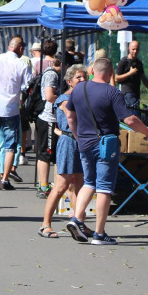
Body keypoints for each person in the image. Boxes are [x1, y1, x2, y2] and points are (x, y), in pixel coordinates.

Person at [65, 57, 148, 245]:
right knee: (105, 187)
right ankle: (99, 233)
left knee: (89, 182)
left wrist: (78, 136)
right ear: (110, 74)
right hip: (106, 144)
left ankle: (76, 218)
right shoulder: (112, 92)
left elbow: (70, 116)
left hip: (84, 143)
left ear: (92, 71)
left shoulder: (78, 89)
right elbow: (129, 120)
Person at [38, 64, 88, 238]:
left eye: (84, 77)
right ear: (69, 81)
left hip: (81, 142)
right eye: (79, 77)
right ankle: (45, 225)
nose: (83, 80)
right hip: (69, 141)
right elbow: (71, 115)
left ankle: (79, 221)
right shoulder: (63, 99)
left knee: (80, 186)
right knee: (61, 185)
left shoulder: (83, 98)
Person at [0, 35, 31, 189]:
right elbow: (28, 85)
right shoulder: (21, 64)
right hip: (11, 109)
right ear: (20, 48)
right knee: (10, 144)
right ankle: (4, 178)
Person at [34, 49, 61, 198]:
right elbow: (50, 96)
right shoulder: (52, 74)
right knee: (46, 153)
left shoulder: (52, 73)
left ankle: (48, 184)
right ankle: (43, 186)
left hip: (50, 118)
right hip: (48, 118)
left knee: (53, 153)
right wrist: (64, 97)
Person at [115, 40, 148, 112]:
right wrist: (130, 73)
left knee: (136, 113)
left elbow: (143, 77)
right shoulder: (124, 61)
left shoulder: (139, 62)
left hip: (136, 92)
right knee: (134, 114)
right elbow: (116, 78)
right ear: (129, 49)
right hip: (127, 92)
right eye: (133, 49)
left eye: (137, 49)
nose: (135, 51)